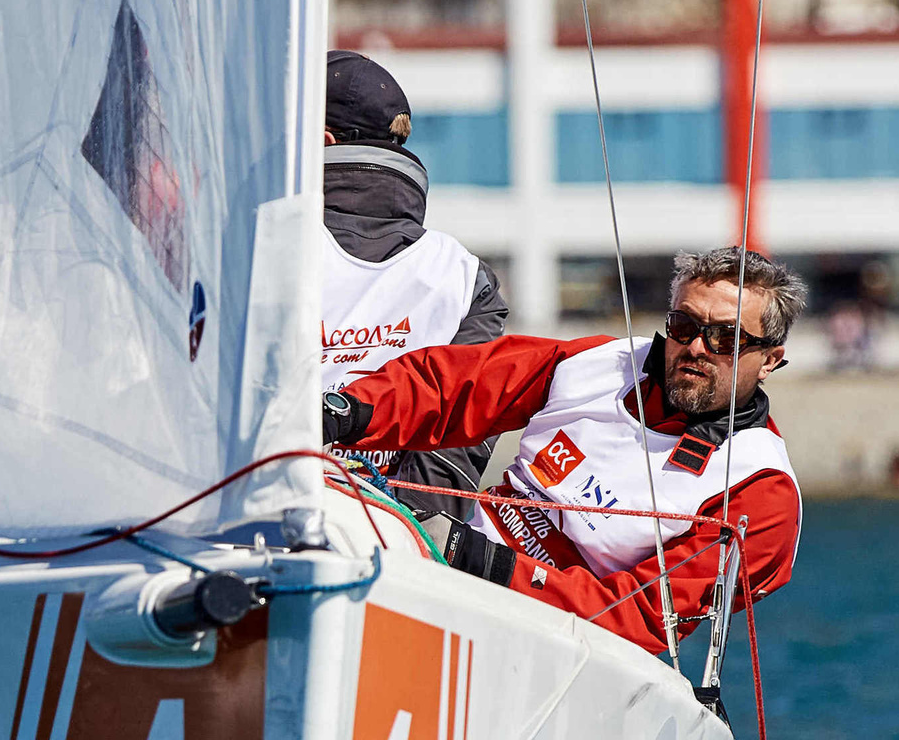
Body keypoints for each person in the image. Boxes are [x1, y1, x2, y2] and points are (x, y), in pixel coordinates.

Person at [322, 247, 805, 657]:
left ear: (770, 360)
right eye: (683, 326)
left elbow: (643, 615)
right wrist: (349, 411)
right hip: (452, 562)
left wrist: (489, 566)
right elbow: (459, 385)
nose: (696, 347)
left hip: (568, 646)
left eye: (725, 337)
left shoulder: (761, 492)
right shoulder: (599, 364)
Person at [319, 50, 506, 518]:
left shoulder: (259, 246)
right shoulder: (465, 277)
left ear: (318, 141)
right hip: (400, 552)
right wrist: (402, 526)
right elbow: (459, 440)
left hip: (253, 532)